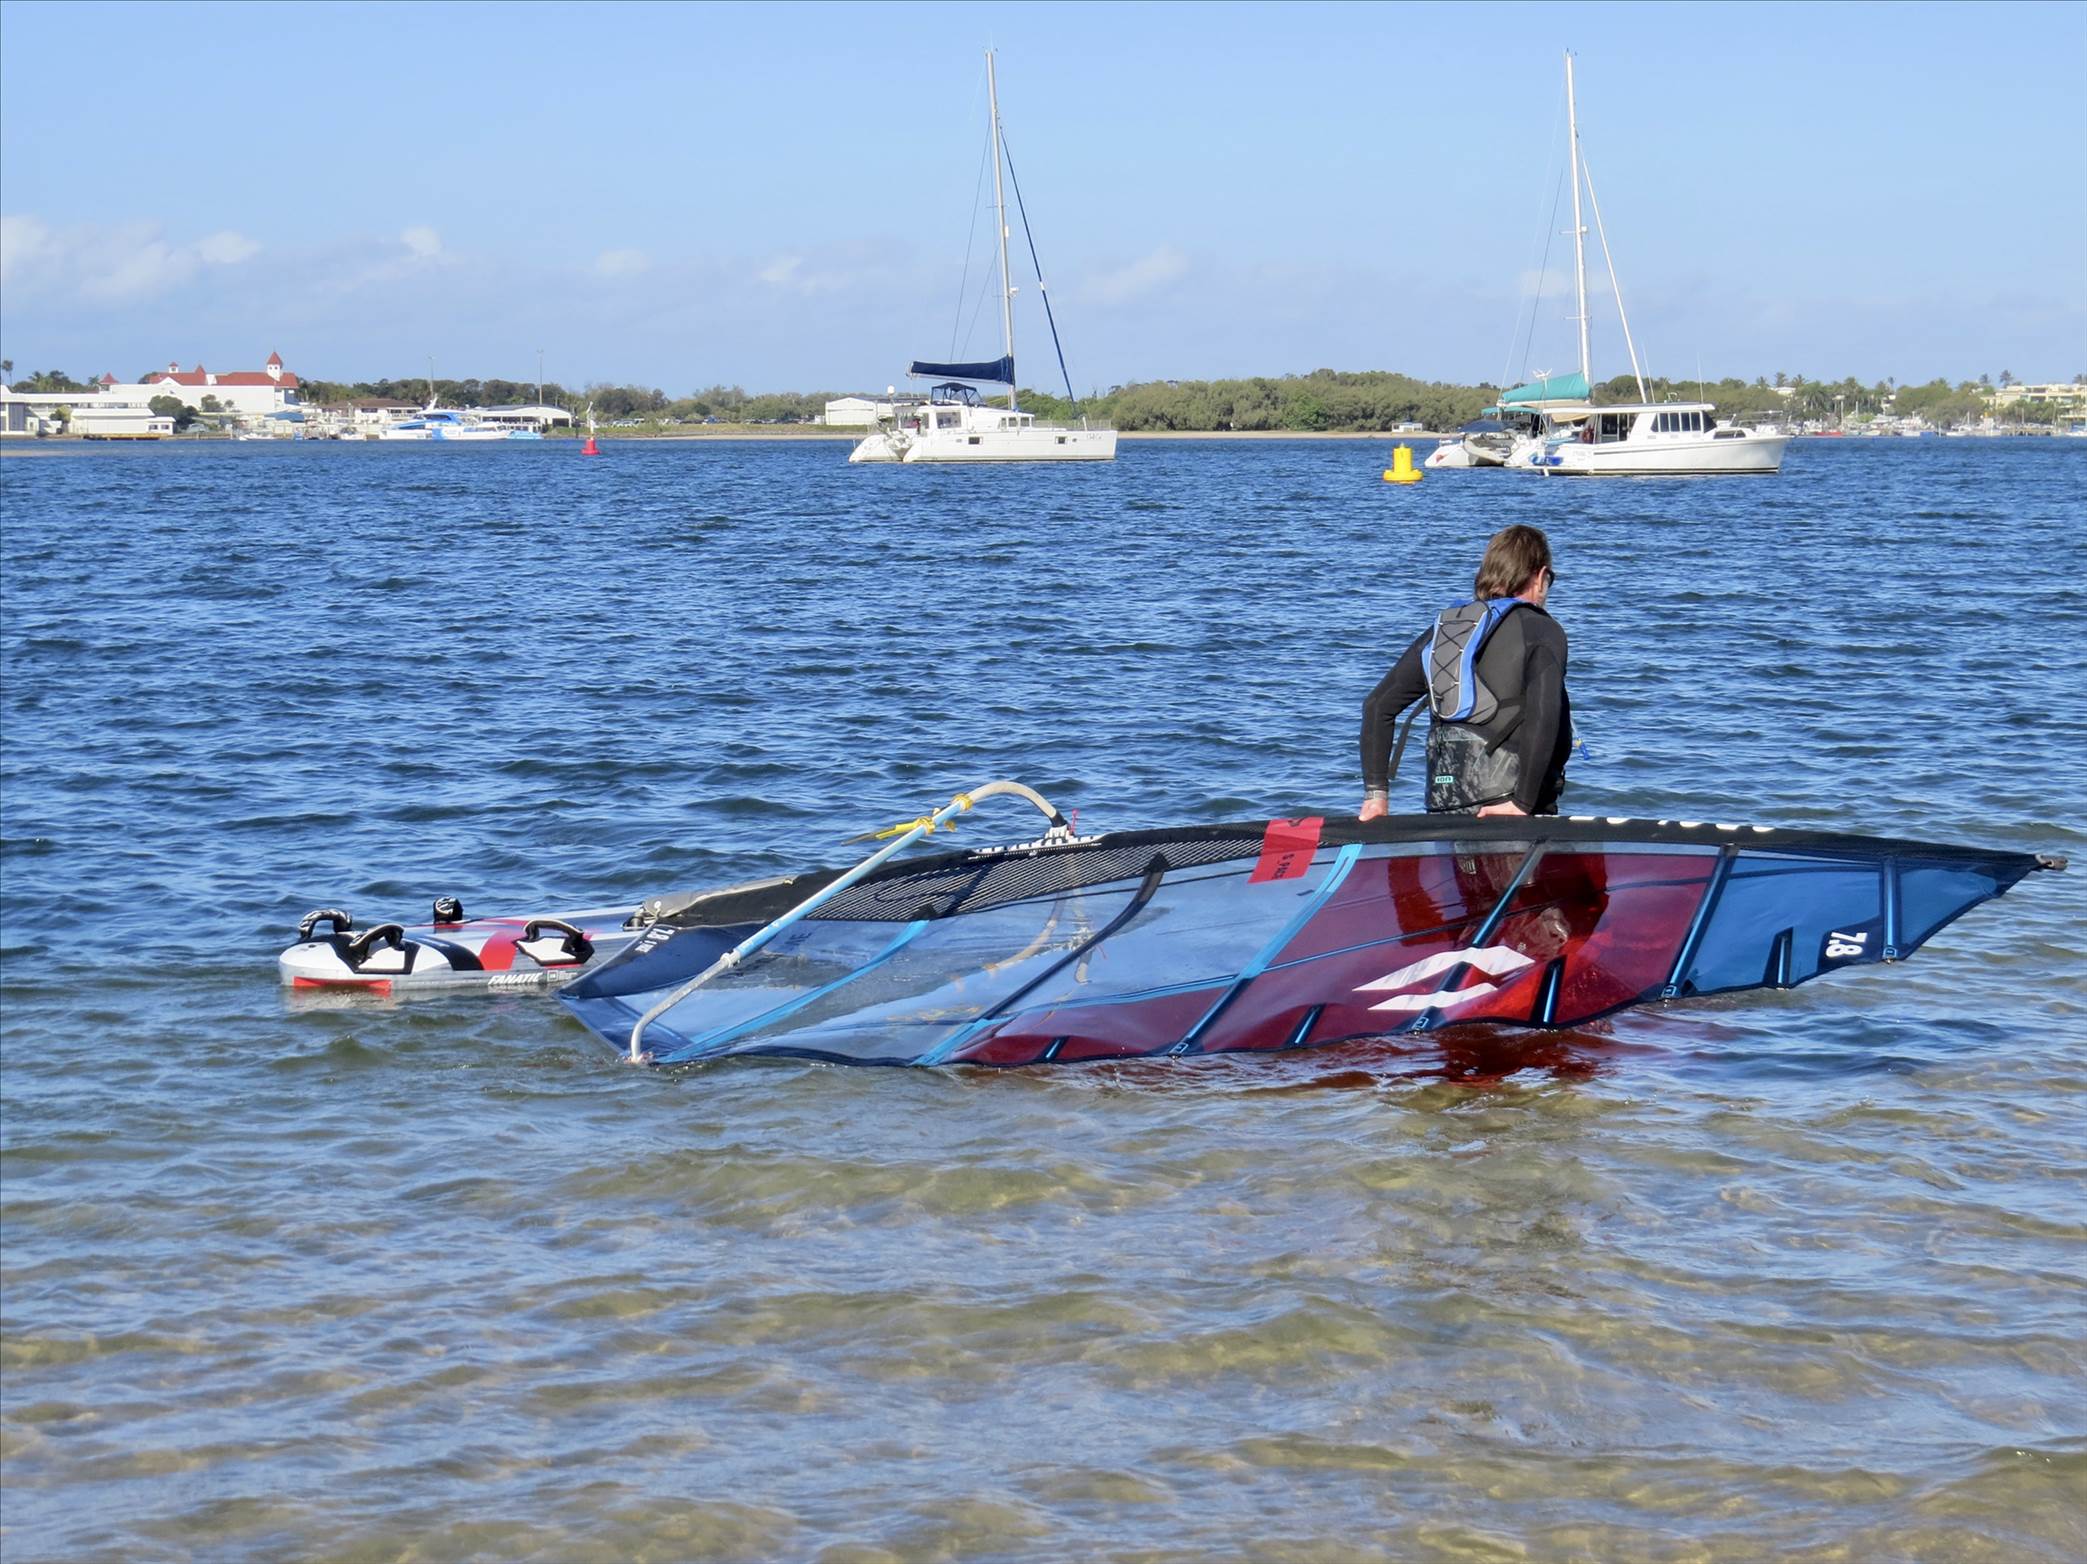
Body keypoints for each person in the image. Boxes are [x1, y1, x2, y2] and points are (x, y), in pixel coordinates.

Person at [1358, 524, 1571, 820]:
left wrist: (1376, 797)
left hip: (1444, 805)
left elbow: (1377, 705)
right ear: (1540, 576)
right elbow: (1544, 715)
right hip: (1510, 809)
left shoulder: (1449, 630)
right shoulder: (1541, 628)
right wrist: (1521, 804)